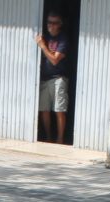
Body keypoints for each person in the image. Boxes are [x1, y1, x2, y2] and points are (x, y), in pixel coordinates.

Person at [35, 12, 70, 144]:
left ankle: (60, 139)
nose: (51, 25)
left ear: (60, 25)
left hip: (58, 78)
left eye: (54, 23)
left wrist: (43, 46)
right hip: (44, 77)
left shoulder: (63, 39)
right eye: (49, 22)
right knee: (44, 109)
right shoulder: (45, 37)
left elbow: (55, 60)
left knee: (59, 109)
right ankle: (48, 137)